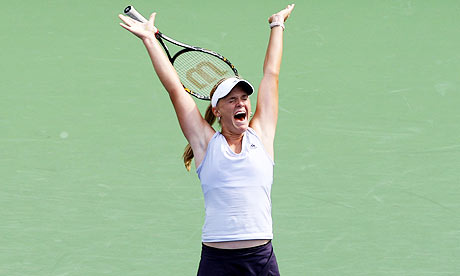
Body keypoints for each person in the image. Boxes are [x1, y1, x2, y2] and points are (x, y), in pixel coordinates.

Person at [119, 4, 294, 275]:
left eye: (245, 98)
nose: (242, 104)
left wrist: (277, 25)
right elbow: (175, 88)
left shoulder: (262, 135)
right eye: (232, 99)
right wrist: (149, 40)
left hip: (260, 259)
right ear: (217, 110)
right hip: (217, 261)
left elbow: (271, 74)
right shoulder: (205, 143)